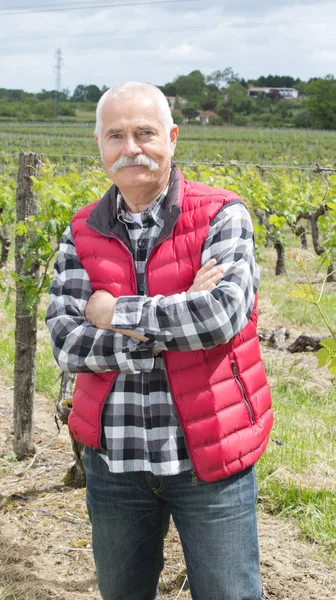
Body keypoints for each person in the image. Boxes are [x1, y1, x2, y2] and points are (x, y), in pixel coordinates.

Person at [46, 81, 273, 600]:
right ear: (100, 146)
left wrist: (112, 313)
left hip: (209, 459)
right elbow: (66, 341)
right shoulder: (81, 230)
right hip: (115, 464)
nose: (131, 148)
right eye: (116, 135)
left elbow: (218, 316)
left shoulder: (222, 214)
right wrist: (161, 330)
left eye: (145, 133)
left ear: (171, 137)